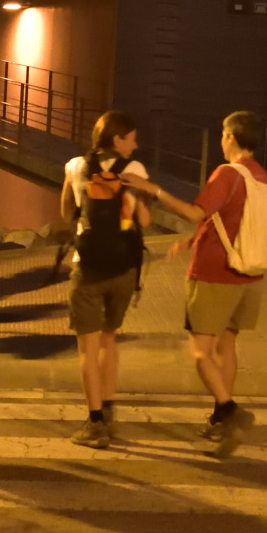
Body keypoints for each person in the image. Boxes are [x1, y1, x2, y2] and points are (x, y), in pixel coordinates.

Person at [124, 110, 267, 458]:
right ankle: (220, 419)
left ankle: (231, 412)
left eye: (223, 134)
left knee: (200, 352)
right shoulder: (262, 176)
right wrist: (192, 240)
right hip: (249, 274)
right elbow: (234, 220)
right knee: (227, 345)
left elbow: (195, 212)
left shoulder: (227, 173)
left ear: (232, 137)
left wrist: (153, 189)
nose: (221, 140)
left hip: (215, 275)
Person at [61, 111, 153, 446]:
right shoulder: (135, 170)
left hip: (87, 268)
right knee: (108, 339)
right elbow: (145, 219)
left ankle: (95, 422)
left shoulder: (75, 166)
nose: (136, 145)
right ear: (117, 139)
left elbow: (65, 213)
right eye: (132, 139)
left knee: (87, 347)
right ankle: (109, 409)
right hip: (124, 269)